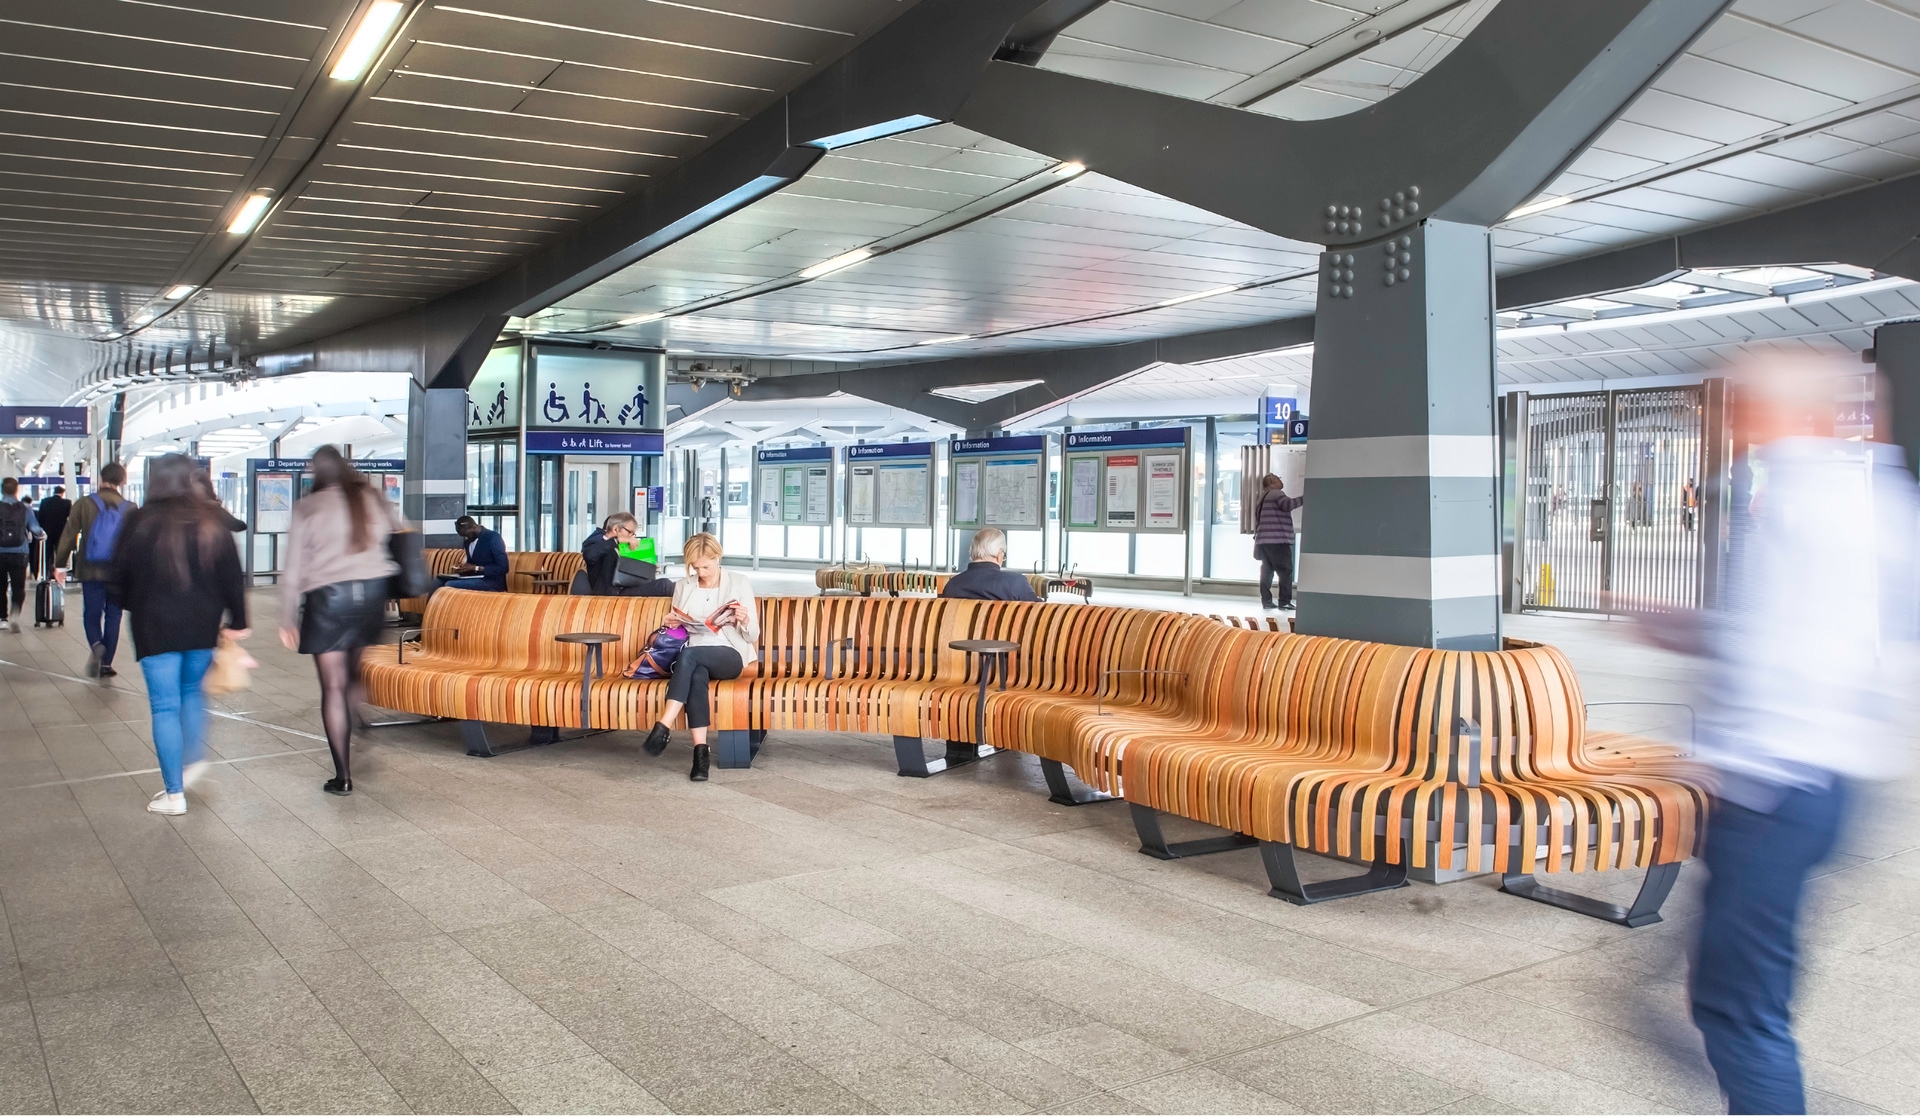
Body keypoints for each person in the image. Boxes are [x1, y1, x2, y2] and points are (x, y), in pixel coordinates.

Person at [1636, 360, 1918, 1114]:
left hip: (1777, 787)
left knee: (1739, 1012)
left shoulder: (1802, 499)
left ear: (1773, 410)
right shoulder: (1876, 495)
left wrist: (1723, 753)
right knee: (1731, 995)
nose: (1719, 418)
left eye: (1735, 403)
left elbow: (1784, 653)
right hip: (1826, 783)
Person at [105, 455, 248, 816]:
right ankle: (193, 759)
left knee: (164, 706)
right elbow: (232, 574)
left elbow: (116, 578)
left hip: (154, 627)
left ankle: (174, 794)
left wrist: (133, 602)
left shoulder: (138, 521)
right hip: (201, 626)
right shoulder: (209, 521)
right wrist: (237, 618)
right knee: (191, 694)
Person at [281, 446, 403, 796]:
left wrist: (287, 615)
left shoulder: (309, 506)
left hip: (328, 600)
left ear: (317, 472)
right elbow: (398, 537)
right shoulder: (371, 497)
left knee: (332, 685)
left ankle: (343, 775)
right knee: (351, 675)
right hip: (372, 597)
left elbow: (293, 569)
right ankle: (353, 715)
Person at [639, 533, 758, 782]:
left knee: (690, 657)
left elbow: (752, 635)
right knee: (696, 674)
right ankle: (700, 754)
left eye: (706, 565)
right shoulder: (684, 586)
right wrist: (672, 623)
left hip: (729, 653)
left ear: (718, 557)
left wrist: (744, 620)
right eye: (696, 567)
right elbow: (679, 629)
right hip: (694, 655)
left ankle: (664, 725)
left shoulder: (738, 582)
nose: (701, 572)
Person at [54, 461, 132, 677]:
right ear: (122, 481)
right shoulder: (130, 508)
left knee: (92, 612)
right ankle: (107, 664)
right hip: (118, 572)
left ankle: (97, 644)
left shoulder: (84, 503)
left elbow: (69, 535)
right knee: (114, 615)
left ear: (101, 479)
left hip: (91, 569)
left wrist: (60, 564)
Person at [581, 512, 674, 597]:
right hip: (611, 593)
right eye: (630, 532)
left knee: (671, 586)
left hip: (626, 588)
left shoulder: (622, 547)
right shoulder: (598, 542)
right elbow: (589, 555)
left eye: (634, 534)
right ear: (616, 529)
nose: (632, 537)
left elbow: (628, 569)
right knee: (665, 586)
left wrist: (648, 569)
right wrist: (615, 541)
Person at [941, 528, 1039, 601]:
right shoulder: (1015, 583)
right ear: (999, 554)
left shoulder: (953, 585)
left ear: (972, 552)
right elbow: (1038, 612)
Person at [1253, 473, 1305, 611]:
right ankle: (1284, 601)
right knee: (1285, 570)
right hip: (1277, 540)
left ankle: (1267, 601)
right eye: (1278, 479)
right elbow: (1287, 505)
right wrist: (1305, 498)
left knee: (1267, 571)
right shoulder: (1276, 493)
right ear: (1272, 481)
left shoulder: (1262, 497)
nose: (1281, 481)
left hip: (1263, 540)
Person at [0, 478, 46, 633]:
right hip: (20, 553)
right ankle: (15, 614)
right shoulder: (25, 508)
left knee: (1, 587)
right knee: (18, 587)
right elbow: (35, 529)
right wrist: (42, 535)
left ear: (1, 490)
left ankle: (3, 619)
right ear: (16, 490)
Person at [446, 516, 508, 592]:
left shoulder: (493, 537)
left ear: (474, 527)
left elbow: (504, 567)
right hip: (475, 578)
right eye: (463, 536)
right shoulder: (468, 541)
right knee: (437, 582)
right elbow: (471, 564)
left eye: (467, 534)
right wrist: (464, 569)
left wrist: (476, 568)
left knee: (449, 585)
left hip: (492, 581)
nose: (466, 538)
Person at [34, 484, 70, 577]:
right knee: (60, 552)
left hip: (47, 531)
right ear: (62, 493)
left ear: (54, 492)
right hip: (61, 532)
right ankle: (59, 573)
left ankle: (47, 572)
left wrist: (43, 528)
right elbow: (70, 517)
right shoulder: (66, 503)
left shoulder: (44, 502)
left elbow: (40, 517)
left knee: (47, 553)